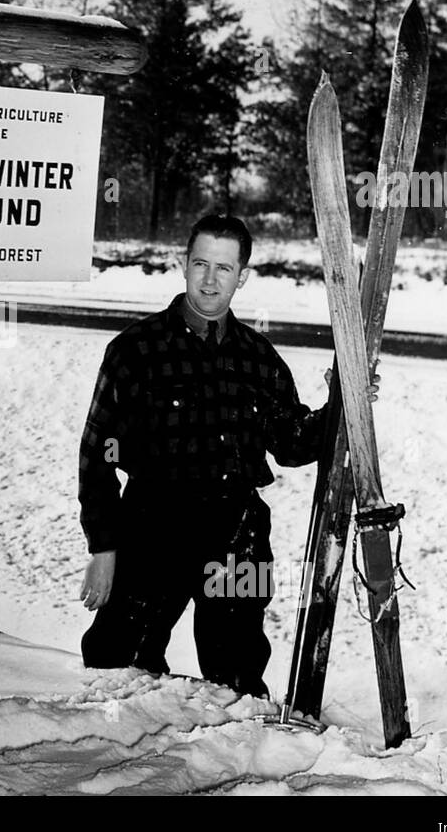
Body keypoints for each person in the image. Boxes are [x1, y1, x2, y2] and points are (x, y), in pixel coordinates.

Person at [76, 213, 376, 698]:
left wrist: (344, 406)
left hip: (237, 530)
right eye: (200, 264)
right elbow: (98, 455)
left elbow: (293, 441)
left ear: (243, 276)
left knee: (237, 678)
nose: (210, 279)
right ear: (183, 265)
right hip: (153, 526)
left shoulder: (258, 357)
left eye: (224, 268)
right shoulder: (134, 351)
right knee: (118, 666)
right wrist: (104, 548)